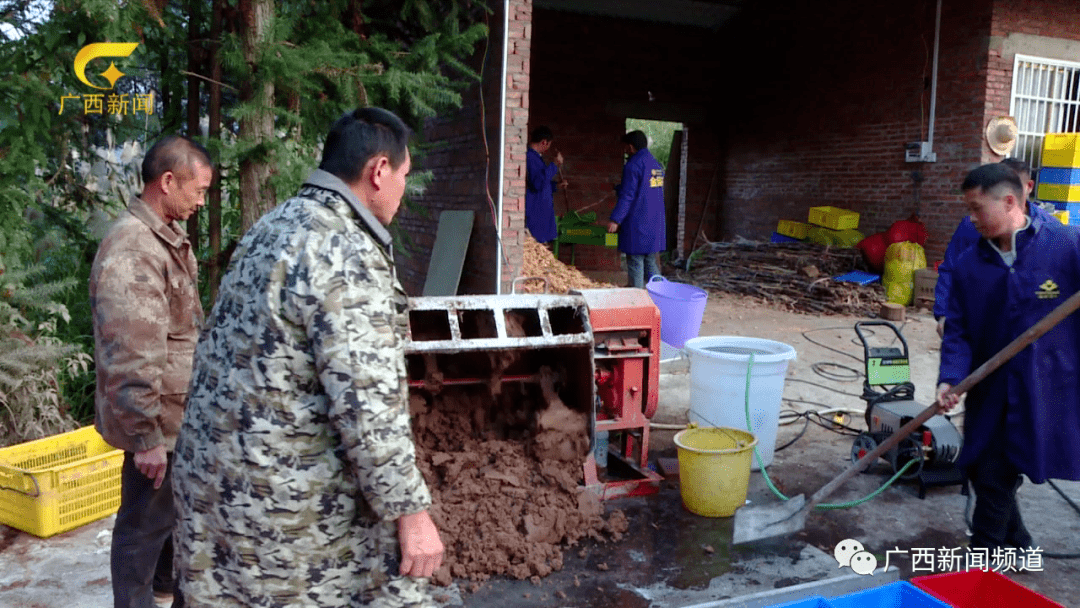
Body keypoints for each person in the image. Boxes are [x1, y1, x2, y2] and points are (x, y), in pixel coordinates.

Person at [172, 107, 444, 607]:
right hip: (279, 509)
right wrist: (411, 512)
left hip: (215, 489)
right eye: (404, 176)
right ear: (378, 172)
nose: (404, 191)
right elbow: (367, 407)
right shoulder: (342, 250)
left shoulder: (271, 227)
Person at [90, 134, 213, 608]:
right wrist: (146, 438)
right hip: (158, 423)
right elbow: (132, 353)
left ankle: (166, 588)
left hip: (175, 415)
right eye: (197, 191)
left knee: (171, 518)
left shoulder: (163, 238)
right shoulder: (134, 249)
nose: (201, 202)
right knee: (142, 526)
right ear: (167, 182)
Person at [936, 163, 1080, 552]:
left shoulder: (1065, 244)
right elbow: (959, 331)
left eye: (977, 209)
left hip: (1049, 386)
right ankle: (1006, 552)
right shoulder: (970, 266)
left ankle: (983, 567)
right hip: (993, 389)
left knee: (1000, 471)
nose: (971, 219)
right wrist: (950, 378)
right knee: (986, 470)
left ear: (1011, 201)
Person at [934, 158, 1055, 337]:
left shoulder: (1052, 230)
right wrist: (944, 314)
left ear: (1029, 187)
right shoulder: (971, 226)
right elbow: (951, 268)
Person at [608, 130, 666, 287]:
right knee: (651, 261)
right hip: (655, 222)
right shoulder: (656, 165)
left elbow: (628, 196)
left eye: (626, 147)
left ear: (631, 146)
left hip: (638, 222)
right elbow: (646, 191)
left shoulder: (633, 165)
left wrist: (615, 219)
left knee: (635, 262)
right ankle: (661, 295)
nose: (625, 150)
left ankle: (636, 300)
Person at [525, 126, 565, 243]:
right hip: (537, 214)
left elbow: (543, 183)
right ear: (544, 142)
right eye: (549, 144)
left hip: (541, 213)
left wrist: (555, 186)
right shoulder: (530, 158)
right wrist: (554, 165)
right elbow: (538, 184)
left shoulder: (536, 158)